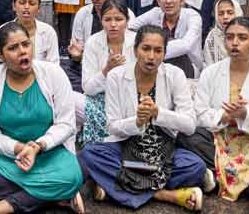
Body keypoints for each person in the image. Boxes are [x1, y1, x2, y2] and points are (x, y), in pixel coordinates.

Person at [0, 22, 84, 214]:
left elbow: (66, 124)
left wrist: (37, 146)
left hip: (49, 153)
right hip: (6, 156)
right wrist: (19, 148)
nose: (22, 52)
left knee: (72, 176)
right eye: (13, 48)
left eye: (25, 44)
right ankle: (57, 194)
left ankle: (2, 207)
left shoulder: (53, 74)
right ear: (0, 55)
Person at [79, 25, 206, 211]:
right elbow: (113, 126)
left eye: (158, 50)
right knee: (91, 152)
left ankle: (115, 186)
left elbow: (189, 125)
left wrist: (158, 113)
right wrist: (137, 122)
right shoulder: (116, 76)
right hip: (125, 147)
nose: (151, 56)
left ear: (164, 53)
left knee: (196, 167)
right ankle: (165, 195)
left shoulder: (174, 75)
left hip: (163, 152)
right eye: (146, 48)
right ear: (135, 49)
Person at [190, 17, 249, 202]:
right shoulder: (210, 73)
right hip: (218, 139)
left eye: (242, 38)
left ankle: (218, 176)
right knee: (189, 135)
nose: (235, 43)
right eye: (230, 37)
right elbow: (199, 114)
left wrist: (245, 114)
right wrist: (224, 116)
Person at [81, 0, 136, 143]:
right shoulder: (93, 42)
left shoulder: (137, 41)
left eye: (119, 19)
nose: (113, 25)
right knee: (73, 100)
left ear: (127, 20)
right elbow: (87, 88)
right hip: (100, 99)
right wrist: (107, 70)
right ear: (100, 19)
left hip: (131, 98)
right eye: (107, 19)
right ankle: (101, 145)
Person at [129, 0, 203, 78]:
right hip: (158, 65)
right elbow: (129, 28)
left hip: (187, 66)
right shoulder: (155, 13)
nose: (168, 1)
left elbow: (186, 45)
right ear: (158, 1)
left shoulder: (193, 16)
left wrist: (152, 48)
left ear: (182, 0)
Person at [0, 0, 59, 67]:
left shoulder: (48, 32)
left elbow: (54, 66)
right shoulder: (3, 30)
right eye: (22, 3)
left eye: (32, 3)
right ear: (14, 6)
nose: (26, 7)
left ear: (39, 8)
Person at [202, 0, 249, 68]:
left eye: (230, 13)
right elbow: (209, 66)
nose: (225, 17)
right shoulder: (212, 37)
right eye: (221, 14)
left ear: (237, 13)